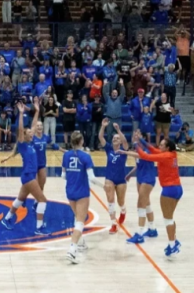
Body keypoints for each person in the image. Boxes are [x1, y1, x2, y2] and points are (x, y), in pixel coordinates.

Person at [118, 137, 183, 257]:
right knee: (170, 218)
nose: (160, 147)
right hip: (178, 188)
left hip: (169, 189)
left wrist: (136, 144)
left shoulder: (165, 156)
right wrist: (142, 141)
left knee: (167, 219)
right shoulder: (171, 154)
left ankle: (172, 245)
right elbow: (152, 149)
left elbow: (146, 156)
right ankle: (173, 241)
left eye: (162, 145)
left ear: (167, 147)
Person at [0, 103, 47, 235]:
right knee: (42, 200)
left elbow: (32, 127)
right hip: (28, 176)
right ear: (24, 136)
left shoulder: (30, 142)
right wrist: (21, 114)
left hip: (27, 176)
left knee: (20, 200)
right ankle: (39, 227)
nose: (31, 134)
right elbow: (21, 130)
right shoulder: (23, 145)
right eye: (29, 134)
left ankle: (7, 218)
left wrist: (37, 111)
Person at [61, 131, 98, 263]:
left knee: (77, 217)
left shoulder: (66, 155)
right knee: (81, 220)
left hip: (70, 191)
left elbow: (63, 176)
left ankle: (81, 242)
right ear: (81, 141)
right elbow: (92, 178)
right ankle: (72, 249)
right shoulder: (86, 156)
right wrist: (104, 186)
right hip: (82, 192)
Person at [125, 129, 159, 244]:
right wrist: (129, 174)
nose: (135, 135)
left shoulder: (148, 149)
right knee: (147, 203)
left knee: (141, 204)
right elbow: (138, 164)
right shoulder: (137, 149)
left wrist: (125, 152)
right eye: (134, 133)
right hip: (140, 178)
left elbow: (142, 156)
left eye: (138, 134)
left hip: (148, 179)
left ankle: (139, 234)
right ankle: (152, 229)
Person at [98, 118, 129, 234]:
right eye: (114, 138)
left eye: (117, 139)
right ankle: (113, 224)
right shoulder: (109, 149)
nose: (115, 139)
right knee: (110, 200)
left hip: (121, 179)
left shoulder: (124, 150)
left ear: (120, 141)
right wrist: (103, 126)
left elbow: (125, 141)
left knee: (121, 202)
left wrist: (118, 130)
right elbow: (101, 137)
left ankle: (123, 211)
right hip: (109, 178)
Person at [31, 99, 59, 211]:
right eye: (38, 126)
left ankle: (37, 201)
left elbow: (54, 145)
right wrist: (37, 111)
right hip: (33, 164)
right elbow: (33, 126)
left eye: (41, 126)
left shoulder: (45, 137)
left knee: (42, 185)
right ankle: (37, 200)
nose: (39, 127)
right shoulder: (32, 137)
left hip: (42, 164)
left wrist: (65, 150)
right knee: (36, 185)